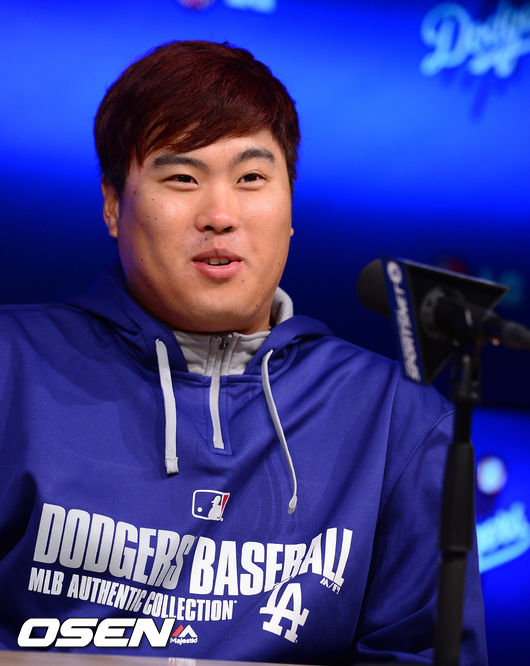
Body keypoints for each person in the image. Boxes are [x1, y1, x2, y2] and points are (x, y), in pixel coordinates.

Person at [0, 41, 487, 664]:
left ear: (290, 208)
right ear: (114, 205)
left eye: (251, 178)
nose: (220, 215)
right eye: (182, 178)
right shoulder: (13, 368)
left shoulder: (396, 419)